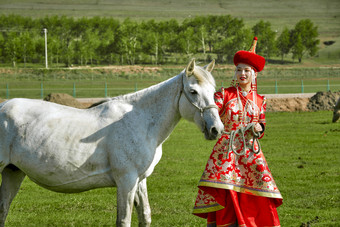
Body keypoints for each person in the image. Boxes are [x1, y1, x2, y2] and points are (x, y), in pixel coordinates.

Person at [193, 37, 283, 227]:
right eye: (239, 69)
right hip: (226, 150)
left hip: (251, 152)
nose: (242, 73)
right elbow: (212, 112)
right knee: (227, 190)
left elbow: (262, 124)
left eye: (246, 70)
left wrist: (259, 129)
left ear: (254, 74)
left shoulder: (260, 100)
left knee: (254, 193)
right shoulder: (224, 94)